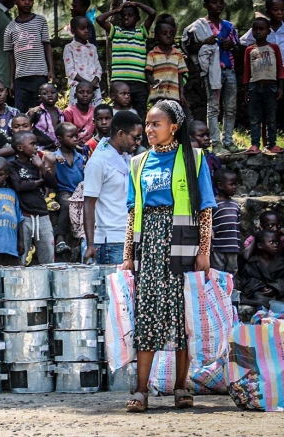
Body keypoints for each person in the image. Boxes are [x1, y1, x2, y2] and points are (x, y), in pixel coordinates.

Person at [122, 100, 216, 412]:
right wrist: (128, 256)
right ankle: (140, 390)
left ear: (173, 127)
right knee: (147, 312)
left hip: (183, 243)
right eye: (147, 124)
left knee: (182, 314)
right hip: (148, 245)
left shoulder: (195, 159)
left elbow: (204, 209)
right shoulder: (138, 163)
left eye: (156, 124)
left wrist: (204, 251)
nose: (149, 130)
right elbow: (133, 213)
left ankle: (181, 387)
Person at [82, 110, 142, 265]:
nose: (138, 142)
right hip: (109, 240)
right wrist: (90, 244)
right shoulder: (98, 162)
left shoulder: (127, 158)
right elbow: (88, 203)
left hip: (127, 236)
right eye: (135, 137)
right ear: (121, 134)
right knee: (111, 289)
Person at [182, 0, 239, 155]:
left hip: (229, 70)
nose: (218, 6)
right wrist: (203, 42)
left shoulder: (228, 26)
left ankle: (228, 141)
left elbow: (237, 46)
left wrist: (231, 46)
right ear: (205, 5)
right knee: (213, 107)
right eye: (214, 2)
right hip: (213, 73)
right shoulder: (198, 27)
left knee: (231, 108)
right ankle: (216, 143)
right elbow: (189, 47)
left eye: (221, 3)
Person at [96, 1, 156, 122]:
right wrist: (116, 10)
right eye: (124, 16)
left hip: (139, 82)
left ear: (138, 18)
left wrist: (137, 4)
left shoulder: (142, 32)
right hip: (120, 82)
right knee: (120, 115)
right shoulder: (116, 31)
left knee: (140, 115)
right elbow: (100, 19)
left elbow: (153, 13)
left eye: (130, 15)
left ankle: (140, 140)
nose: (126, 18)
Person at [8, 130, 57, 265]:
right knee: (21, 256)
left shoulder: (37, 164)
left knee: (48, 256)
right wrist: (39, 182)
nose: (36, 147)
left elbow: (52, 183)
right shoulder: (12, 166)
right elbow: (19, 186)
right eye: (32, 144)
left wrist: (41, 167)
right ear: (20, 147)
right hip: (24, 217)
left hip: (42, 215)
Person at [4, 0, 55, 113]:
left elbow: (47, 46)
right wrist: (11, 81)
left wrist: (51, 69)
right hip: (20, 79)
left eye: (30, 0)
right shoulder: (10, 28)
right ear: (16, 1)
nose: (27, 2)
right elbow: (11, 58)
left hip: (40, 75)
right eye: (23, 0)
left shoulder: (40, 21)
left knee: (41, 112)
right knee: (20, 113)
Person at [243, 17, 284, 155]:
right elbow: (246, 71)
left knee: (271, 118)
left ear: (268, 31)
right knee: (255, 118)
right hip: (254, 87)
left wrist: (280, 86)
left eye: (261, 29)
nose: (258, 32)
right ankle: (255, 145)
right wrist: (246, 89)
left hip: (271, 86)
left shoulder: (274, 48)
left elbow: (280, 68)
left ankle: (272, 144)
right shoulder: (249, 50)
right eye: (255, 29)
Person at [52, 122, 84, 257]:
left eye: (76, 136)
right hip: (64, 190)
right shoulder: (55, 156)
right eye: (71, 136)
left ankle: (82, 239)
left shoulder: (80, 156)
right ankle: (60, 238)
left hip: (80, 190)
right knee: (66, 204)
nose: (75, 139)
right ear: (59, 139)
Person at [238, 229, 284, 309]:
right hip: (260, 294)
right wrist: (261, 287)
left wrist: (274, 288)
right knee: (257, 298)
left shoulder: (281, 262)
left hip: (278, 294)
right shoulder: (253, 262)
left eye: (277, 242)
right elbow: (247, 280)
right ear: (260, 245)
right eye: (271, 242)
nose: (275, 245)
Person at [63, 16, 103, 107]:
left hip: (94, 90)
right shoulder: (69, 48)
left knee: (95, 114)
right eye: (82, 28)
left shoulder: (92, 48)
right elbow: (70, 72)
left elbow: (99, 69)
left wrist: (94, 82)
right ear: (73, 31)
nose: (86, 31)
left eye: (88, 28)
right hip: (78, 90)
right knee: (77, 115)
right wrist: (87, 84)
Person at [146, 22, 189, 105]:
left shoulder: (178, 54)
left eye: (171, 34)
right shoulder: (152, 54)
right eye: (164, 33)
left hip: (174, 96)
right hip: (158, 95)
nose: (168, 36)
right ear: (157, 36)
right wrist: (153, 82)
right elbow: (148, 73)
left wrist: (181, 94)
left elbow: (180, 75)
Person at [210, 167, 240, 276]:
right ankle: (218, 293)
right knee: (217, 273)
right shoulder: (213, 204)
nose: (235, 187)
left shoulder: (236, 205)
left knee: (232, 272)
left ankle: (231, 292)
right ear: (220, 185)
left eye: (235, 184)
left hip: (232, 246)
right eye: (231, 184)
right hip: (217, 247)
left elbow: (237, 225)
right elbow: (208, 223)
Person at [30, 83, 66, 148]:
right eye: (45, 93)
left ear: (57, 96)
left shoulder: (61, 114)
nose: (49, 95)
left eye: (53, 92)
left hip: (58, 148)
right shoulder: (36, 112)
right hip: (40, 148)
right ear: (40, 97)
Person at [64, 80, 96, 147]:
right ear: (75, 95)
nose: (85, 95)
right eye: (81, 92)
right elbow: (68, 134)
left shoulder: (95, 111)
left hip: (91, 146)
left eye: (88, 92)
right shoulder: (69, 111)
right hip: (74, 147)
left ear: (93, 96)